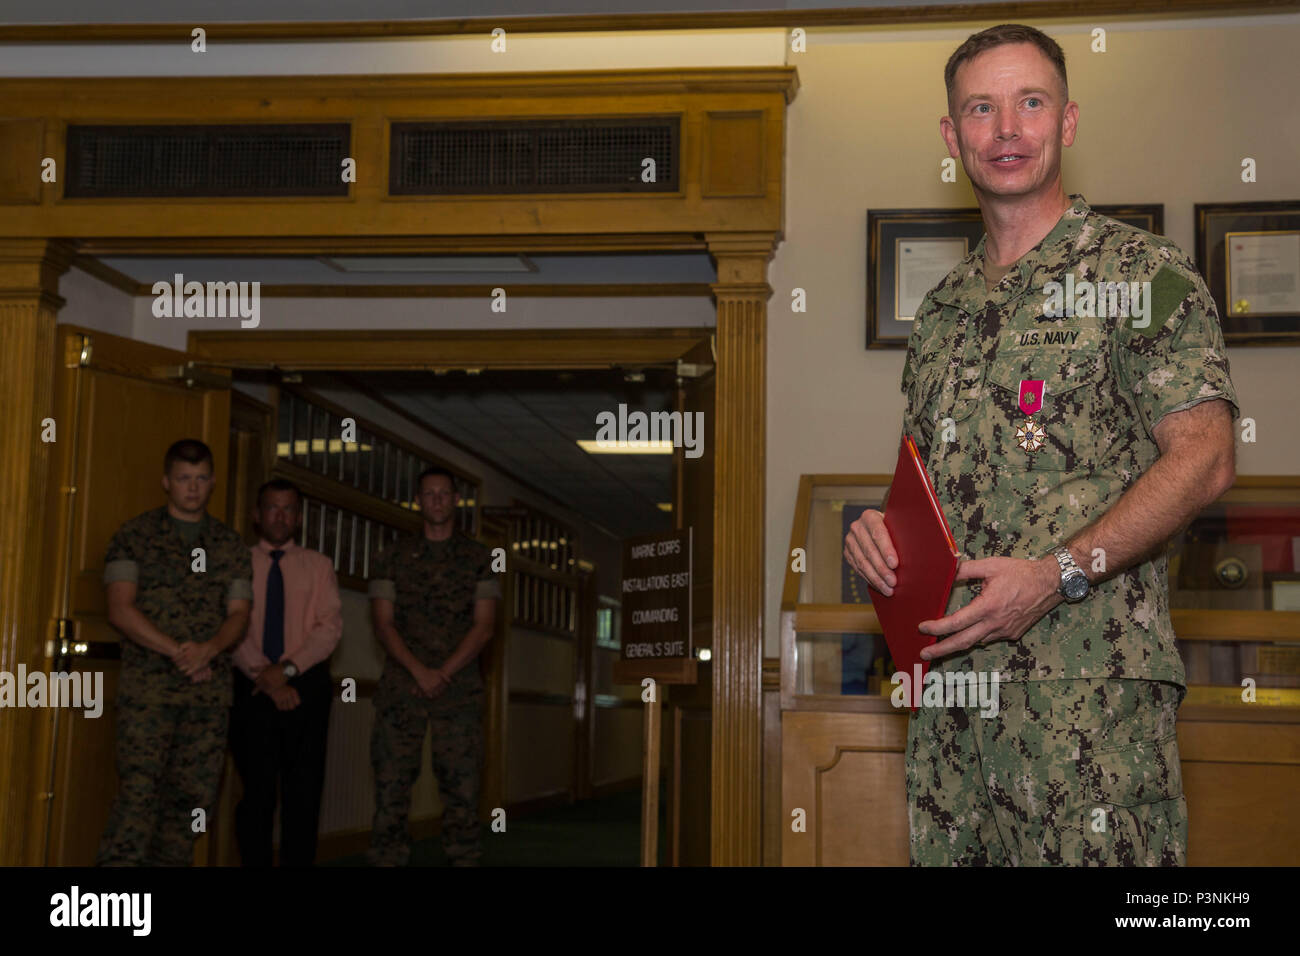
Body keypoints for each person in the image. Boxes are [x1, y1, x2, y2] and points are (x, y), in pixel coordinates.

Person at [844, 23, 1238, 866]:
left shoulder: (1140, 272)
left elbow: (1204, 457)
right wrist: (881, 534)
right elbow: (931, 486)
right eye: (981, 110)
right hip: (950, 701)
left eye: (1030, 102)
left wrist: (1059, 574)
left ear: (1068, 122)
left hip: (1088, 712)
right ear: (953, 139)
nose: (1007, 130)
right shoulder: (941, 311)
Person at [98, 439, 253, 866]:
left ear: (213, 482)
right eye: (184, 479)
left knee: (191, 809)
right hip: (149, 696)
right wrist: (179, 653)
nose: (193, 488)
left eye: (202, 479)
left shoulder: (230, 546)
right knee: (137, 800)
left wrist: (210, 649)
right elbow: (119, 609)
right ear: (167, 482)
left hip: (206, 701)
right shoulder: (134, 537)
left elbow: (239, 614)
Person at [367, 467, 500, 866]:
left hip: (457, 692)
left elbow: (485, 626)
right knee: (391, 791)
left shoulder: (480, 559)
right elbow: (383, 623)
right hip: (401, 690)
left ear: (456, 500)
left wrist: (443, 672)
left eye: (445, 494)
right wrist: (418, 671)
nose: (437, 500)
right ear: (419, 501)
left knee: (462, 792)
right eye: (430, 494)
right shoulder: (390, 556)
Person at [229, 478, 343, 866]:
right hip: (251, 686)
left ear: (299, 518)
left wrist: (288, 669)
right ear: (257, 516)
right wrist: (265, 674)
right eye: (272, 508)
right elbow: (230, 625)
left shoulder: (319, 566)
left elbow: (329, 629)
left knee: (304, 795)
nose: (280, 516)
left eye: (289, 509)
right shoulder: (236, 562)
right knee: (257, 795)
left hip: (306, 686)